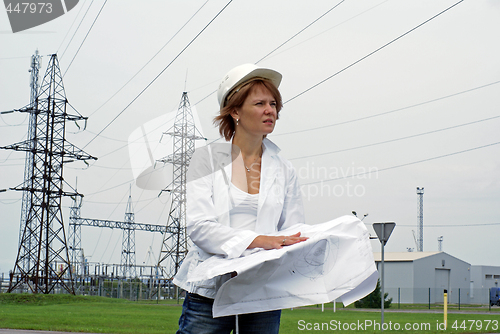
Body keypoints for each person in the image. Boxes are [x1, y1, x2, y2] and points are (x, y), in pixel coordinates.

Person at [174, 64, 307, 334]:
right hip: (210, 292)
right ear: (235, 111)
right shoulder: (205, 160)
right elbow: (200, 227)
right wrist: (261, 242)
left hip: (262, 293)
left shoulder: (284, 169)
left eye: (273, 103)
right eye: (259, 103)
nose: (270, 110)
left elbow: (293, 231)